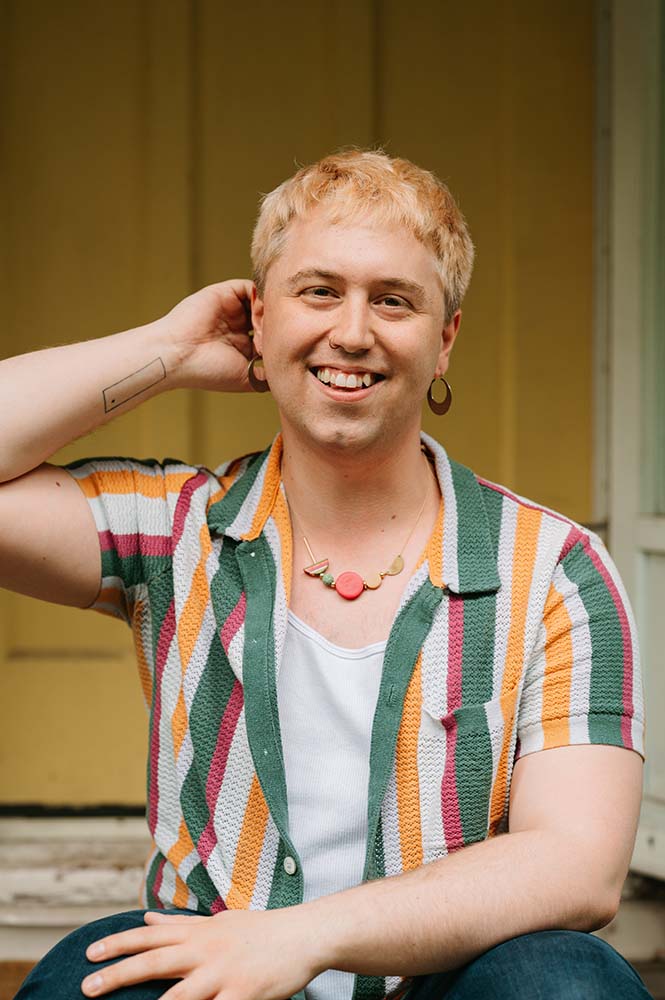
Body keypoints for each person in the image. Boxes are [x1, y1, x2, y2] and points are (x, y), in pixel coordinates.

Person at [2, 149, 650, 1000]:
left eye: (393, 300)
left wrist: (302, 939)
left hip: (445, 982)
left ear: (444, 339)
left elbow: (576, 866)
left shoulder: (553, 568)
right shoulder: (173, 526)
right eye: (318, 292)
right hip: (220, 972)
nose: (351, 331)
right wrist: (171, 347)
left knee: (563, 981)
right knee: (89, 978)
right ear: (259, 321)